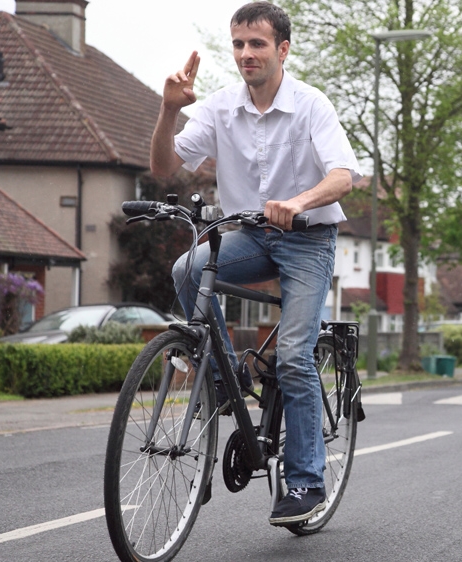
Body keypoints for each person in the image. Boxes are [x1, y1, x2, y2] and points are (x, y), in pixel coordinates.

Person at [149, 1, 361, 526]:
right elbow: (161, 168)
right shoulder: (221, 107)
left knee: (292, 355)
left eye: (257, 44)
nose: (246, 54)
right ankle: (222, 379)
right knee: (185, 270)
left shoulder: (312, 105)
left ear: (282, 49)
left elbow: (344, 175)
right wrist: (169, 110)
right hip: (250, 236)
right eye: (239, 44)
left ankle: (307, 482)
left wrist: (299, 201)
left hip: (307, 240)